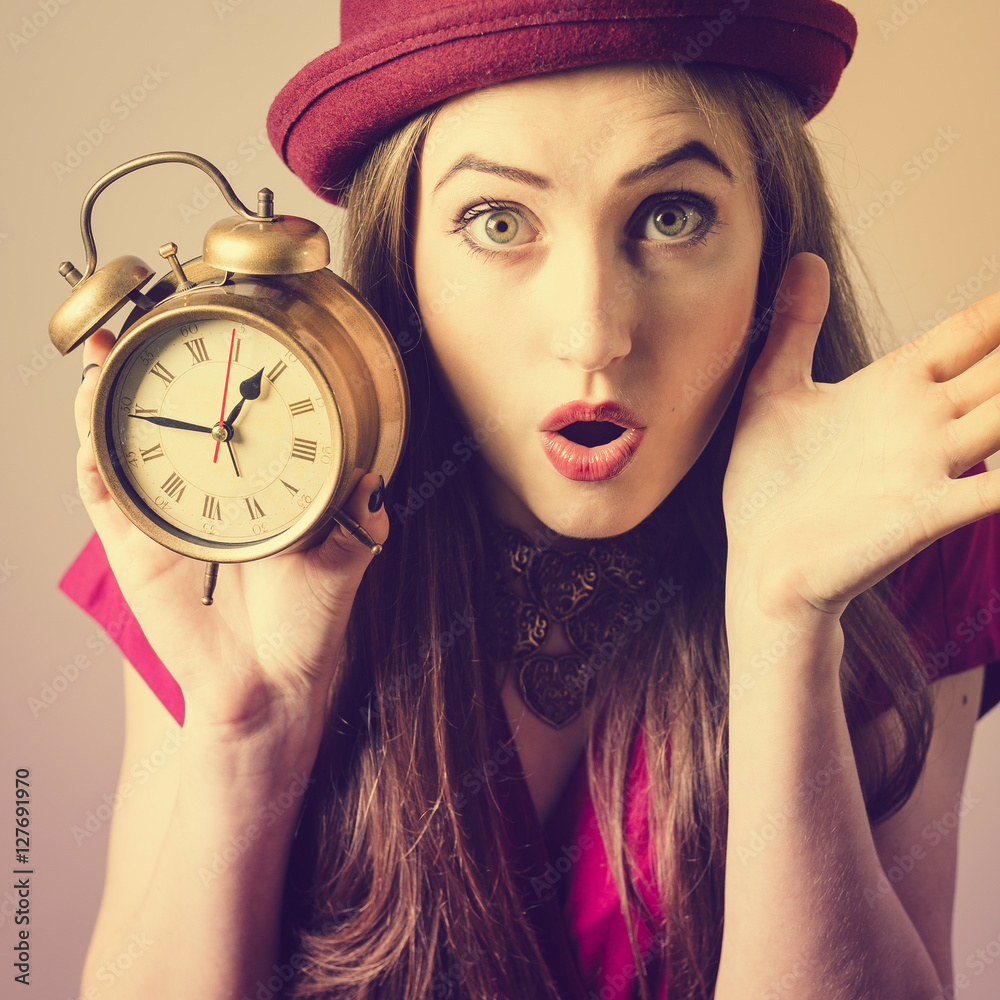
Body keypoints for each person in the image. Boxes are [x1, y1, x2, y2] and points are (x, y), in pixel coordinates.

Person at [62, 1, 1000, 998]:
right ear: (400, 257)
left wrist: (784, 619)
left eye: (671, 215)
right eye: (499, 222)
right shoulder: (236, 548)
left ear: (772, 250)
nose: (593, 333)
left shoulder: (907, 554)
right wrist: (244, 730)